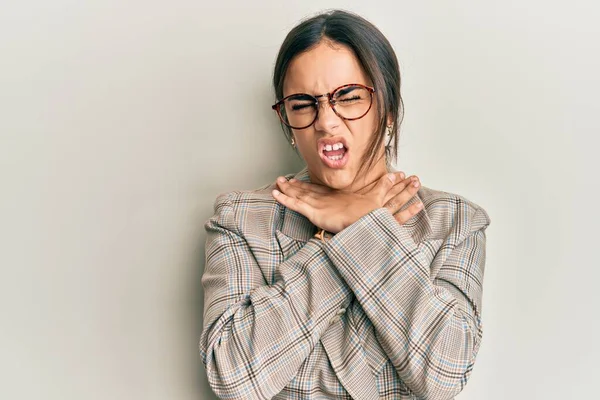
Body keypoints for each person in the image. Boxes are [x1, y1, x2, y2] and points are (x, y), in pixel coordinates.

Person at [199, 9, 491, 400]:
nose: (326, 122)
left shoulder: (455, 222)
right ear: (286, 122)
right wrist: (344, 235)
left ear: (387, 110)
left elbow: (444, 372)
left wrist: (361, 228)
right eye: (302, 104)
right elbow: (233, 376)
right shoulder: (239, 220)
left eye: (349, 98)